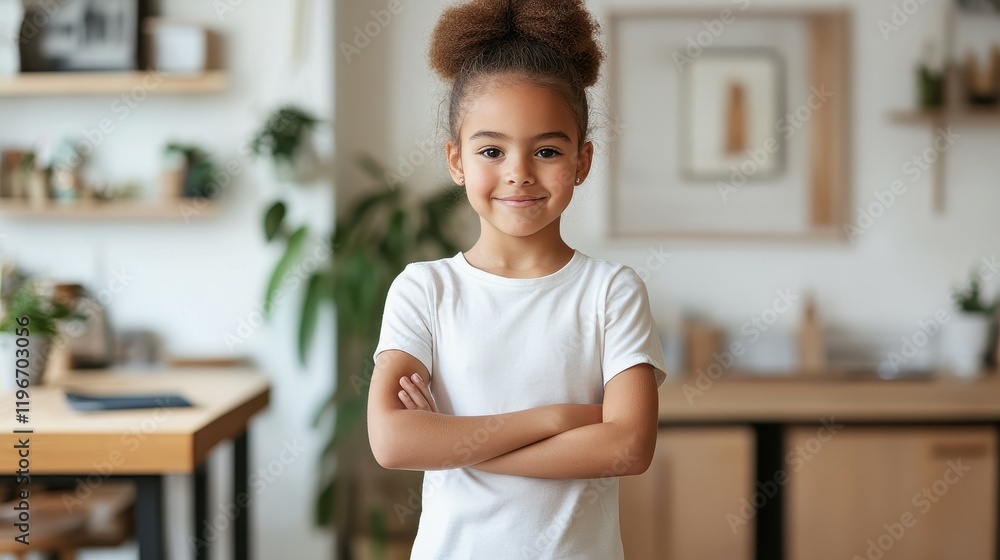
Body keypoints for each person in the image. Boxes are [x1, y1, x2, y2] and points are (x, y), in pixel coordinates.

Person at [366, 1, 668, 558]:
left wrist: (456, 444)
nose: (519, 172)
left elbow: (627, 446)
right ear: (456, 161)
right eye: (491, 150)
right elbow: (392, 440)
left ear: (582, 161)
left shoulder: (610, 291)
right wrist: (557, 420)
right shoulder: (424, 290)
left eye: (548, 150)